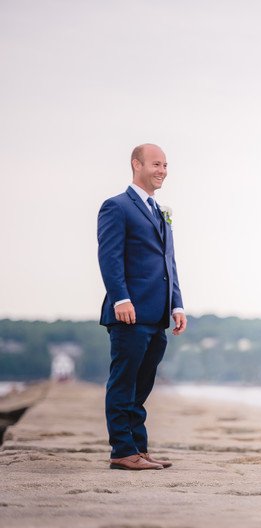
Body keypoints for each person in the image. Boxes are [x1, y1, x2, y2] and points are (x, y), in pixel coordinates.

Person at [97, 143, 187, 470]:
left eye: (165, 165)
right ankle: (122, 451)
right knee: (124, 383)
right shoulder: (117, 206)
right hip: (129, 312)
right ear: (137, 165)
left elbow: (168, 262)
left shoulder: (160, 211)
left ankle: (139, 449)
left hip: (157, 314)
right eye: (156, 164)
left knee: (142, 386)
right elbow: (109, 256)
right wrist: (121, 298)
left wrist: (177, 305)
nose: (162, 171)